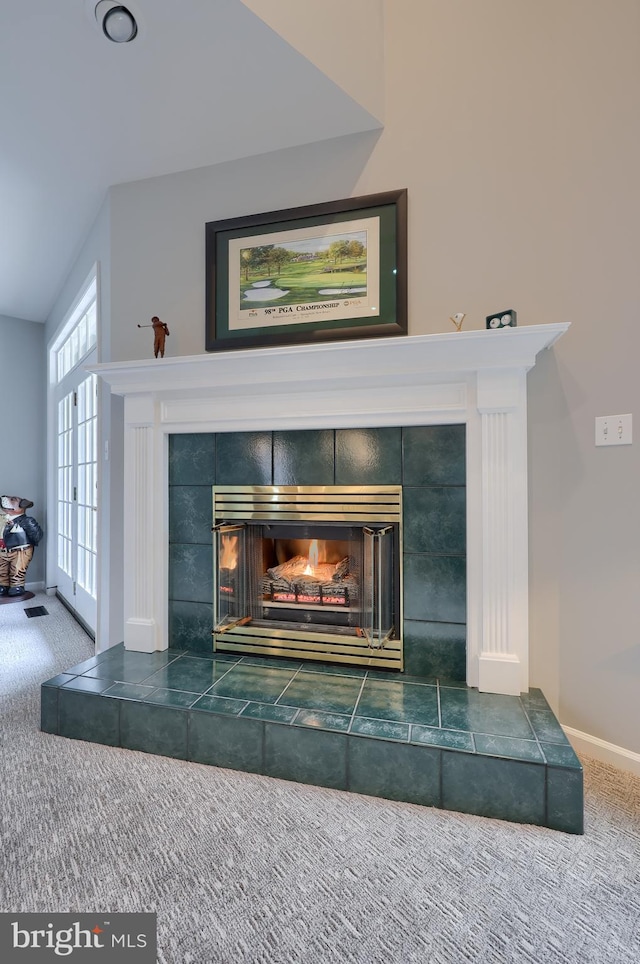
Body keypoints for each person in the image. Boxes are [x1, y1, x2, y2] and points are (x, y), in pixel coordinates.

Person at [0, 496, 43, 597]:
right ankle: (3, 585)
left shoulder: (27, 521)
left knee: (17, 568)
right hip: (2, 550)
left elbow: (37, 535)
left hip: (20, 551)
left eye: (13, 500)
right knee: (2, 568)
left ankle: (17, 585)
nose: (9, 501)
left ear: (22, 506)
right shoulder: (2, 519)